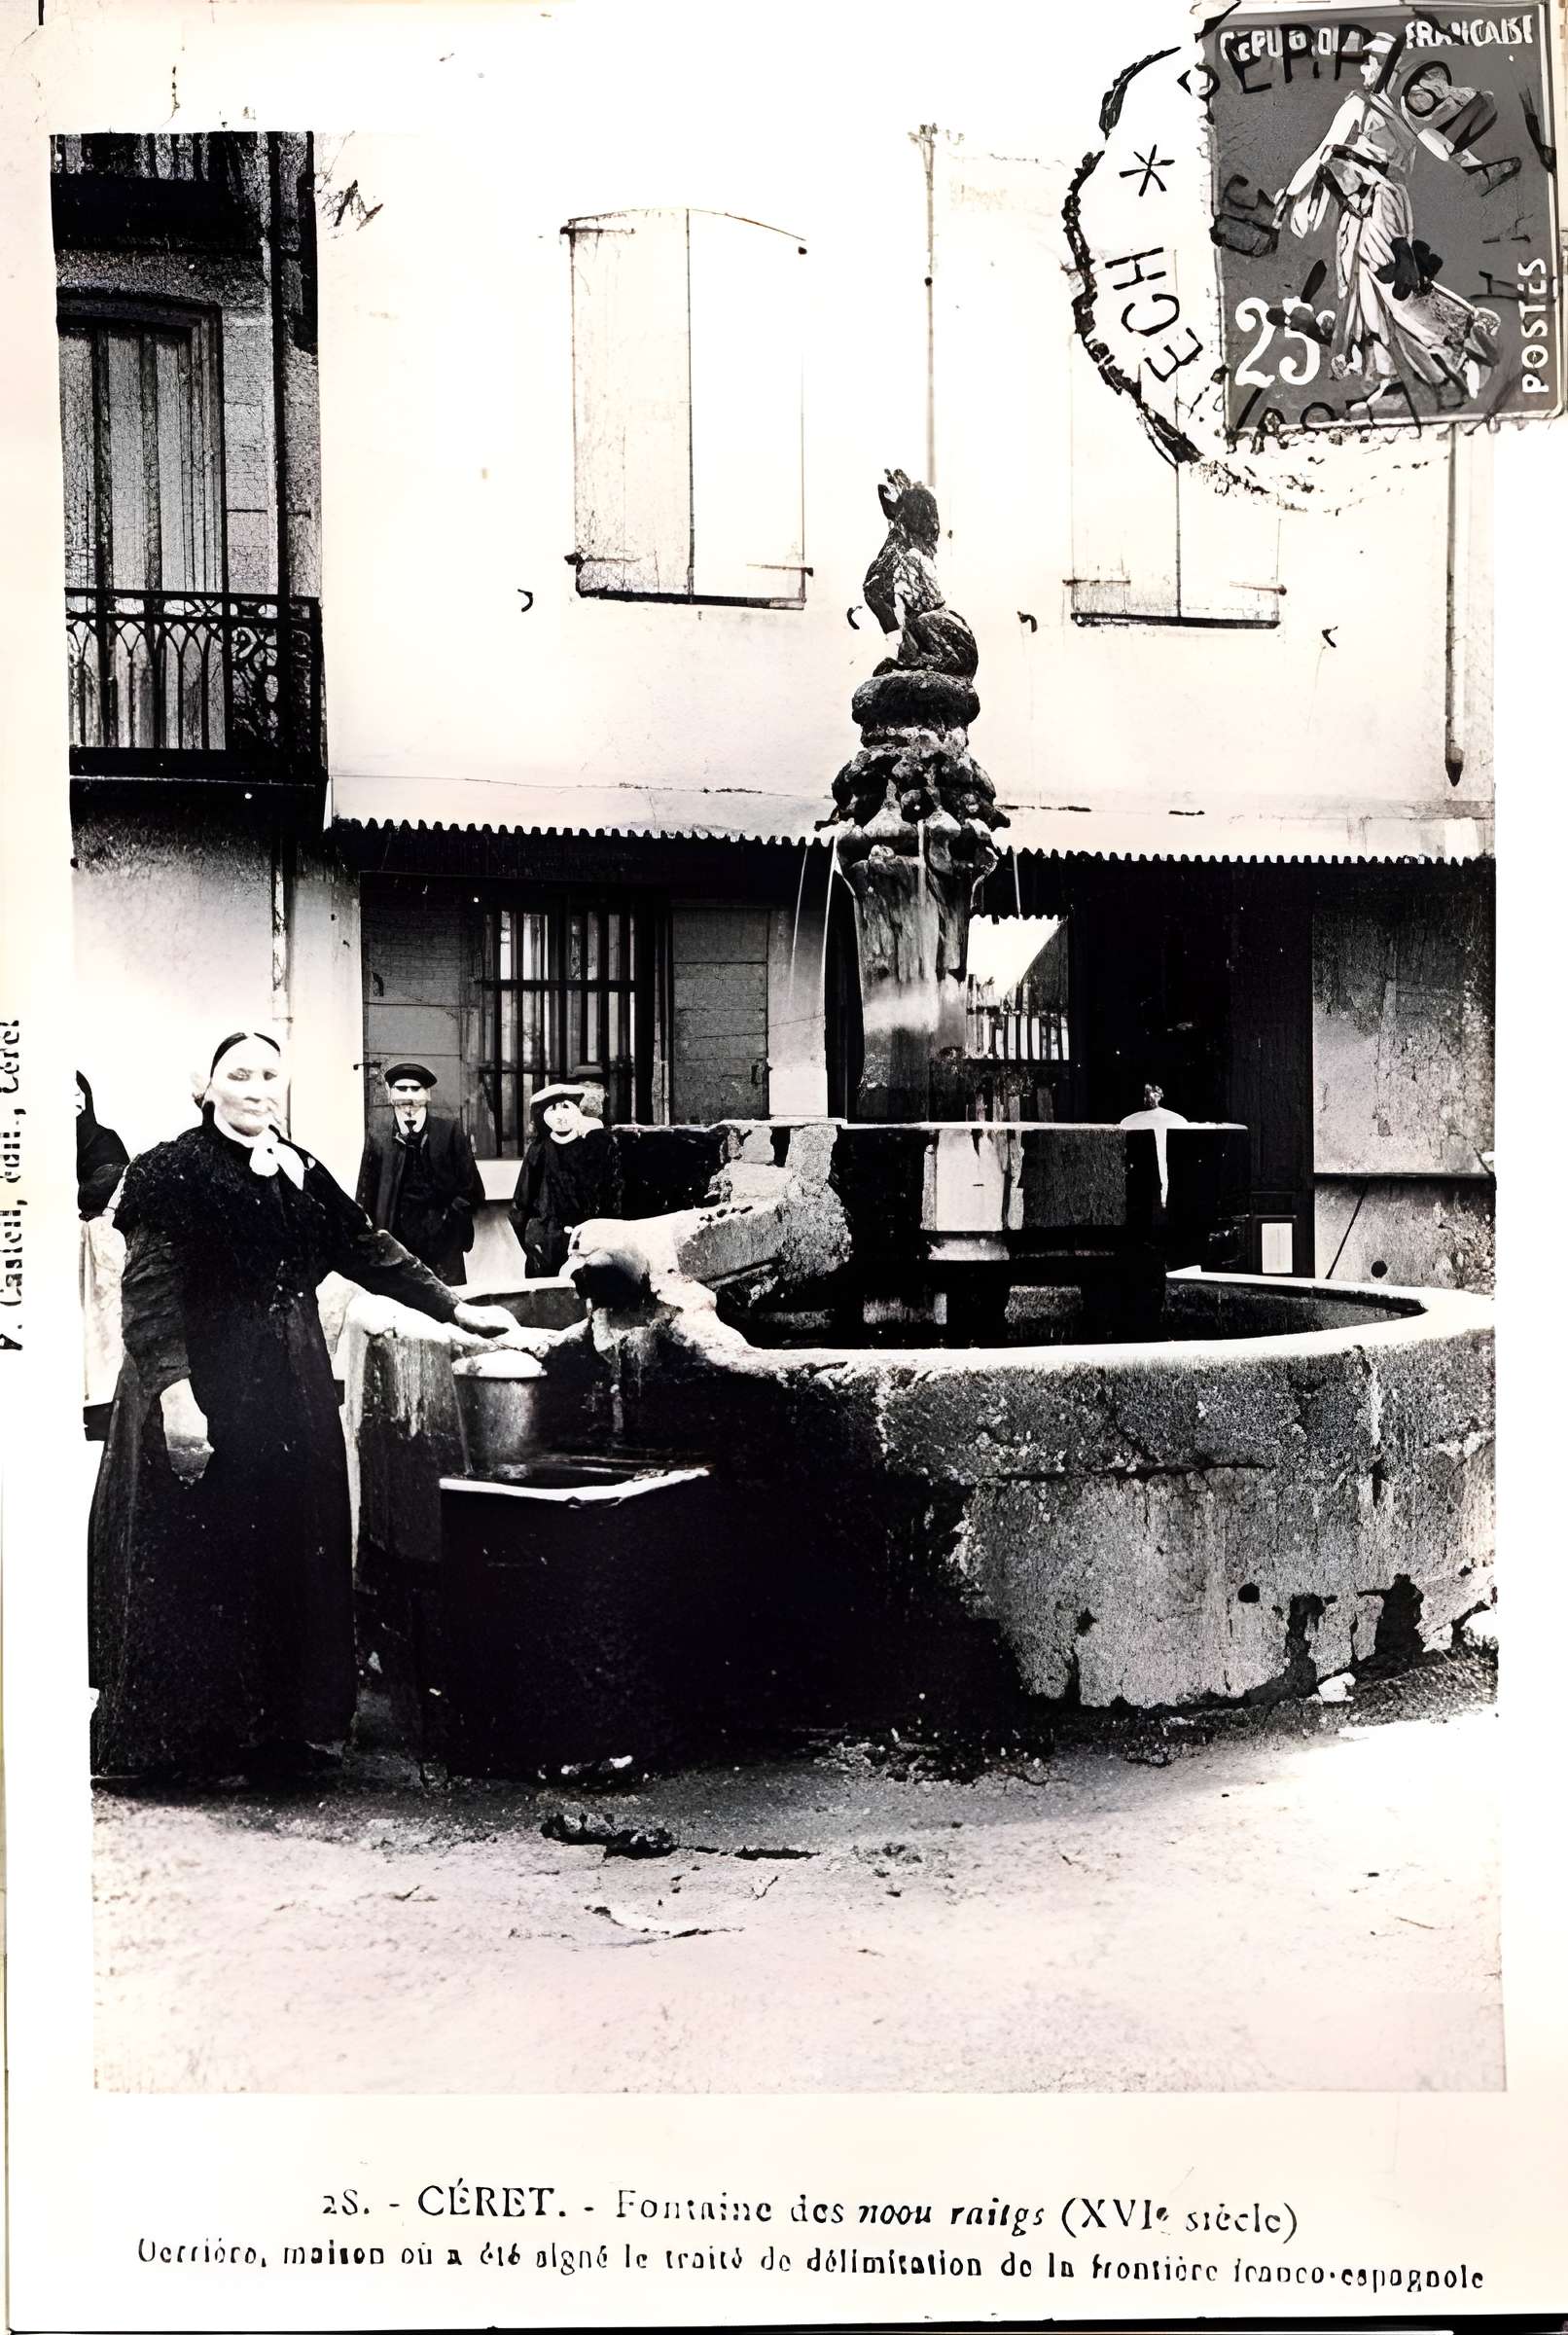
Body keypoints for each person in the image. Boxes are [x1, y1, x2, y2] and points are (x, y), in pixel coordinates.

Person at [89, 1030, 517, 1784]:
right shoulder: (170, 1170)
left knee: (287, 1549)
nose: (256, 1089)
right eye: (239, 1075)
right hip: (202, 1386)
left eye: (268, 1074)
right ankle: (186, 1744)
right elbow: (150, 1297)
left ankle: (278, 1734)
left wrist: (454, 1307)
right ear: (207, 1087)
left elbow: (367, 1248)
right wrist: (177, 1399)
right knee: (201, 1558)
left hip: (286, 1391)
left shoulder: (299, 1169)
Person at [1274, 35, 1501, 409]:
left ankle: (1464, 335)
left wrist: (1291, 193)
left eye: (1371, 62)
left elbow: (1322, 153)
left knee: (1395, 289)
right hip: (1370, 205)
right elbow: (1448, 152)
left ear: (1388, 68)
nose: (1364, 69)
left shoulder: (1363, 106)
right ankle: (1393, 381)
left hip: (1375, 203)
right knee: (1368, 295)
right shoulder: (1406, 116)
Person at [355, 1061, 486, 1285]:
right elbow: (365, 1198)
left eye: (415, 1089)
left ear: (427, 1095)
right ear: (390, 1095)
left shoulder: (450, 1132)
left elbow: (473, 1191)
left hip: (444, 1250)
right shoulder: (378, 1137)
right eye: (401, 1088)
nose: (408, 1096)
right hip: (395, 1247)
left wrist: (448, 1221)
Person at [509, 1082, 621, 1276]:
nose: (560, 1115)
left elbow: (607, 1194)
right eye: (553, 1108)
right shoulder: (538, 1151)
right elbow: (521, 1203)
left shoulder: (594, 1147)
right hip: (546, 1246)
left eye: (565, 1106)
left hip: (587, 1245)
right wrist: (533, 1240)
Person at [77, 1072, 130, 1439]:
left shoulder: (104, 1140)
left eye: (77, 1095)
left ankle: (105, 1413)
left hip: (99, 1243)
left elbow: (113, 1188)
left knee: (104, 1326)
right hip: (65, 1245)